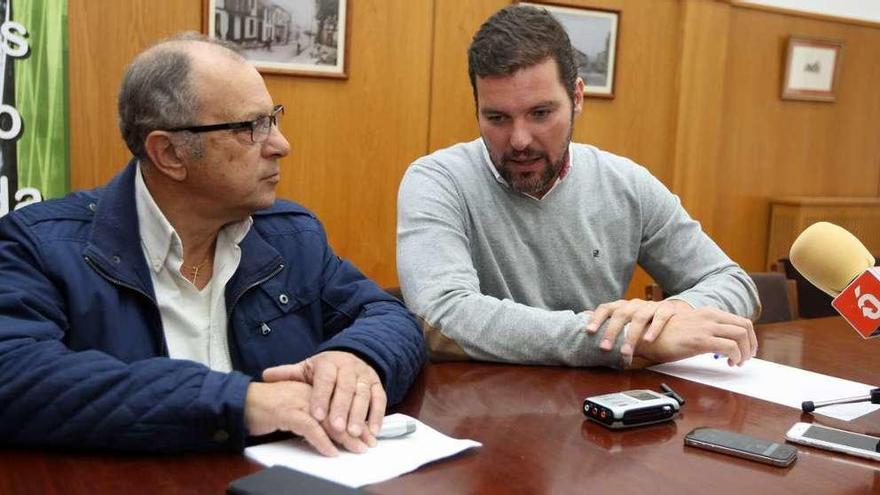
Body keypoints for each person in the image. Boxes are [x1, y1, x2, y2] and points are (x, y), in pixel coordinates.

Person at [0, 33, 426, 455]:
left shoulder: (289, 235)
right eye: (251, 127)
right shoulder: (40, 246)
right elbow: (13, 375)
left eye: (273, 118)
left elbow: (387, 314)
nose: (281, 145)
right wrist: (239, 402)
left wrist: (357, 356)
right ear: (169, 153)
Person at [396, 5, 759, 369]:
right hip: (477, 410)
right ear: (477, 109)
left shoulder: (626, 183)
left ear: (577, 98)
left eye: (541, 114)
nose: (520, 139)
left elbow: (732, 281)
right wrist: (619, 340)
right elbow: (440, 317)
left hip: (600, 408)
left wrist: (667, 317)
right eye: (497, 118)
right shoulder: (438, 180)